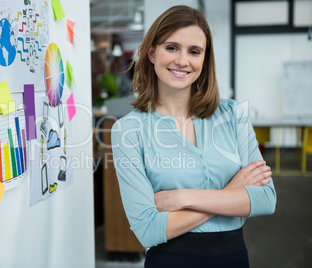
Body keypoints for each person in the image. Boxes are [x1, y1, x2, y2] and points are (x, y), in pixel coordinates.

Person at [110, 5, 276, 268]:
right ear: (152, 53)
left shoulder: (232, 115)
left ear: (204, 59)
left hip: (233, 258)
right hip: (169, 260)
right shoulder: (128, 130)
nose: (182, 61)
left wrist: (184, 197)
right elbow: (148, 229)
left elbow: (266, 199)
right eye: (172, 47)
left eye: (194, 51)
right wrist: (233, 192)